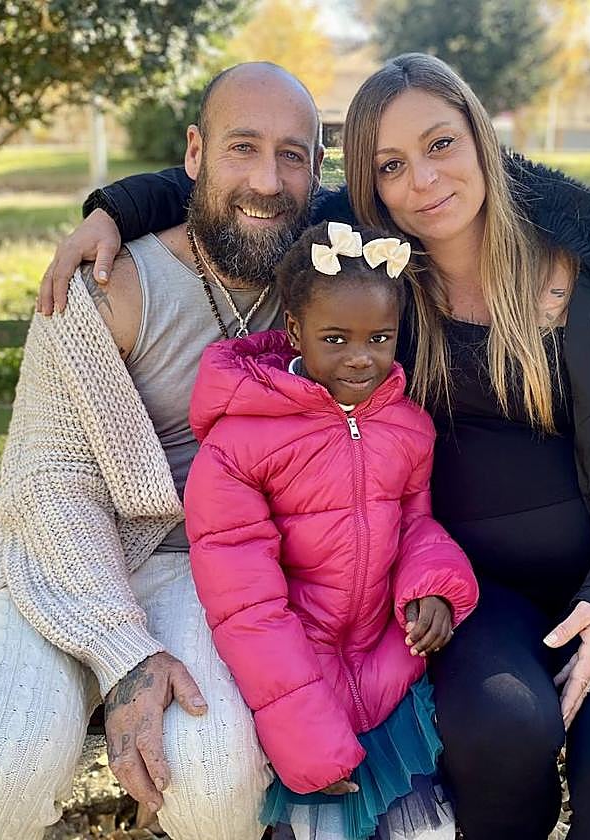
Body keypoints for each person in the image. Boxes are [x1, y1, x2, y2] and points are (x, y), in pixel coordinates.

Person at [42, 54, 590, 839]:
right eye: (392, 166)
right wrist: (112, 208)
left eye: (441, 145)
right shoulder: (382, 274)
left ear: (481, 141)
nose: (424, 182)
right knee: (500, 730)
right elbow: (251, 188)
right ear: (371, 189)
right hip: (475, 590)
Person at [0, 62, 327, 840]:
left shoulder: (325, 282)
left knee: (214, 783)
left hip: (208, 562)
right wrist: (124, 652)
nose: (268, 180)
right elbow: (47, 479)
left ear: (315, 172)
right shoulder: (106, 284)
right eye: (242, 147)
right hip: (51, 548)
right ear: (195, 155)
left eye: (292, 155)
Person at [185, 220, 480, 840]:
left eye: (380, 338)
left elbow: (417, 524)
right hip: (294, 684)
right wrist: (304, 733)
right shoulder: (240, 443)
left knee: (423, 831)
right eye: (336, 338)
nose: (360, 357)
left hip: (387, 666)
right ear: (294, 331)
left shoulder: (407, 424)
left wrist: (432, 585)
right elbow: (246, 604)